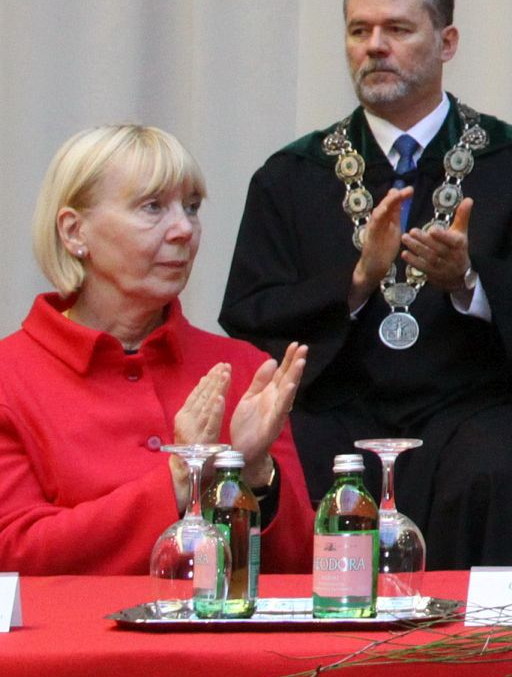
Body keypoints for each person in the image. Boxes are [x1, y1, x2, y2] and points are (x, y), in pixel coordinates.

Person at [220, 0, 512, 568]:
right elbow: (249, 314)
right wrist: (357, 281)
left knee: (501, 466)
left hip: (477, 409)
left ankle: (481, 638)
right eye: (359, 30)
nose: (375, 46)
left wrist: (469, 281)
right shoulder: (291, 177)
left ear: (446, 42)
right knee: (293, 466)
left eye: (397, 29)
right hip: (336, 411)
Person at [0, 125, 310, 574]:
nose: (184, 229)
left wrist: (256, 472)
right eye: (152, 207)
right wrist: (180, 478)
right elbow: (13, 554)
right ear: (74, 232)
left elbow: (301, 568)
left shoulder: (246, 368)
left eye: (192, 207)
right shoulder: (10, 376)